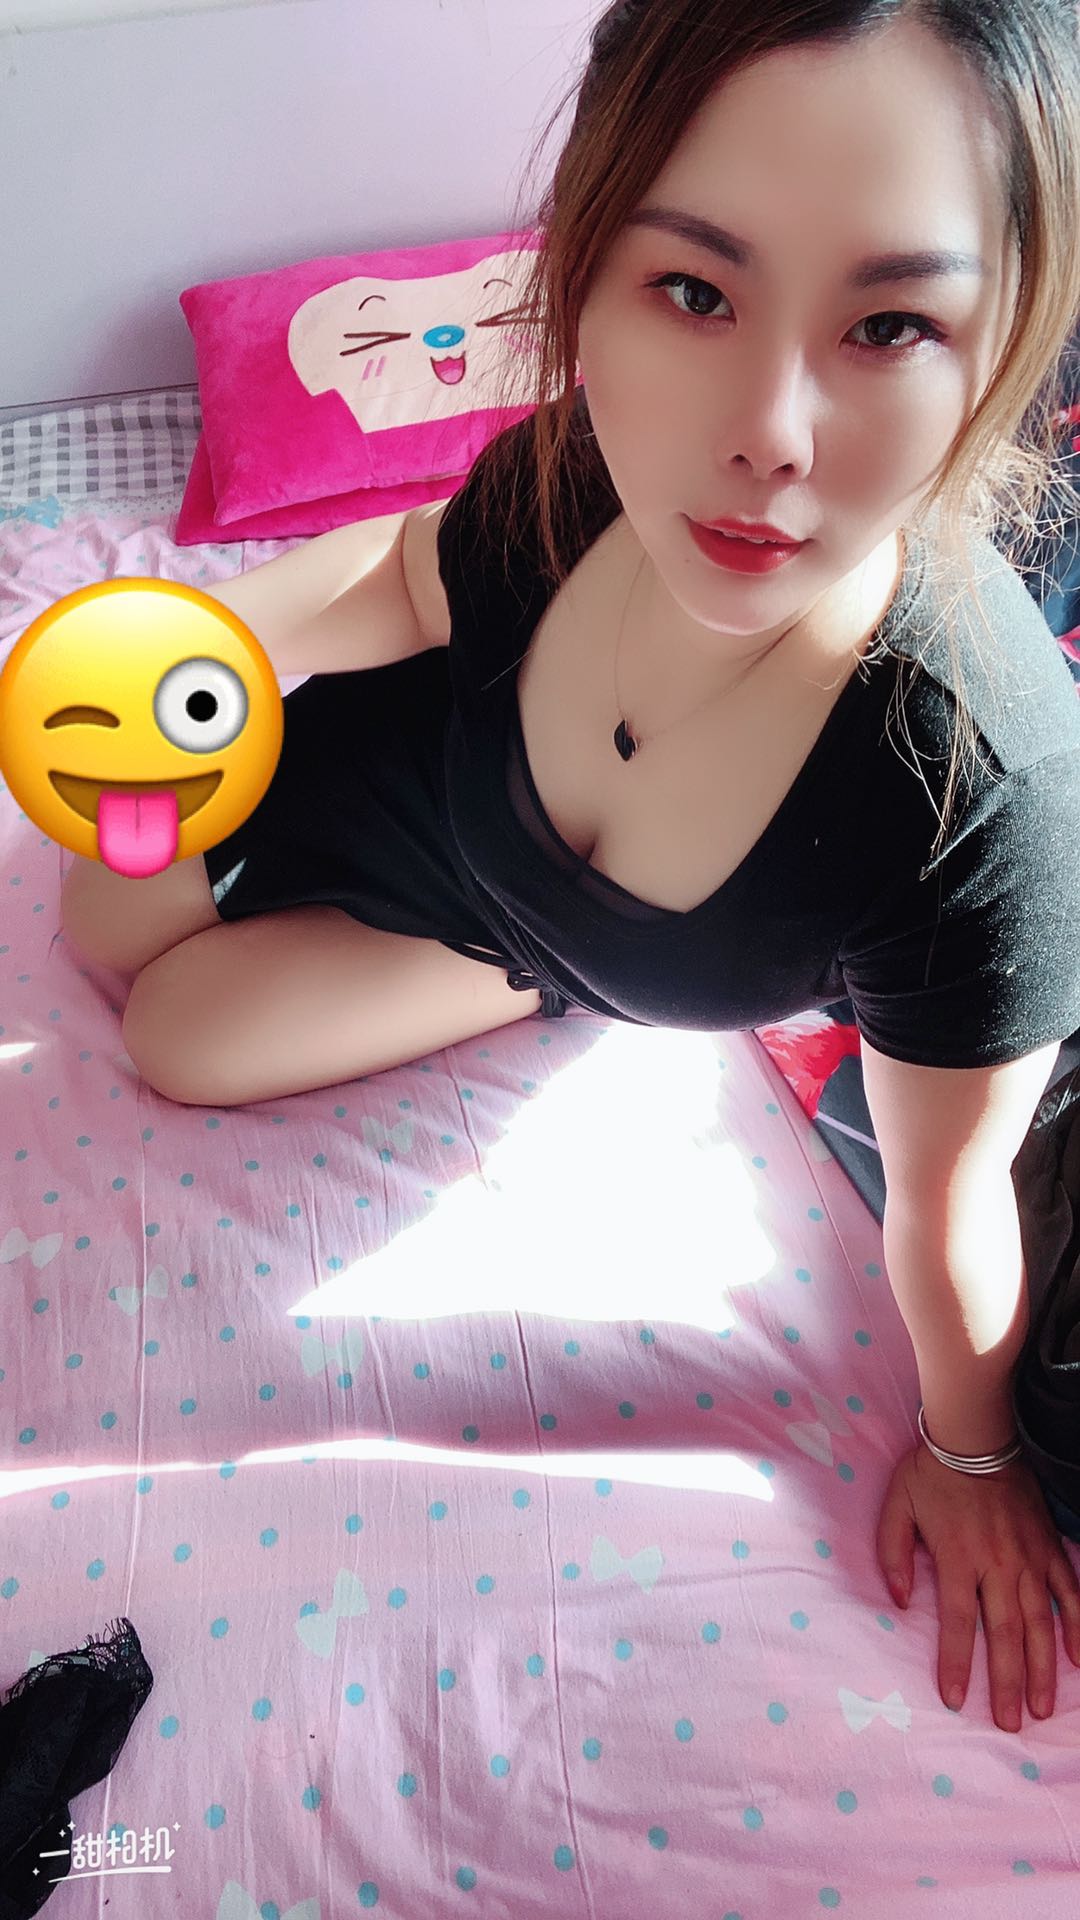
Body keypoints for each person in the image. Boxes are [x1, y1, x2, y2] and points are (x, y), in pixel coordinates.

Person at [60, 0, 1080, 1738]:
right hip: (414, 752)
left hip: (506, 940)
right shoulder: (584, 476)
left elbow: (951, 1198)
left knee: (177, 1035)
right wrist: (186, 659)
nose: (767, 433)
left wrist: (970, 1450)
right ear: (587, 274)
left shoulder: (980, 803)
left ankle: (541, 973)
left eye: (889, 324)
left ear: (1003, 351)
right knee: (101, 897)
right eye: (693, 291)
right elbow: (405, 577)